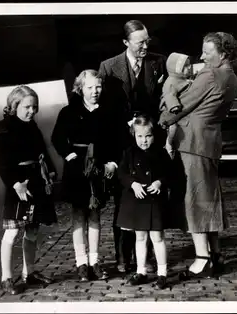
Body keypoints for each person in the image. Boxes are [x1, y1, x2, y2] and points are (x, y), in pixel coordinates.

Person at [161, 32, 237, 280]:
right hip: (210, 141)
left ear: (223, 54)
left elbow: (183, 104)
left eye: (207, 52)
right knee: (209, 197)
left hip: (192, 141)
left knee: (194, 200)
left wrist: (159, 122)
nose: (203, 56)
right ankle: (215, 253)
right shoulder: (232, 77)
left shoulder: (209, 74)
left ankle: (201, 258)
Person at [98, 19, 167, 274]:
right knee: (124, 200)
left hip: (149, 142)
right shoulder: (109, 67)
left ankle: (146, 258)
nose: (145, 46)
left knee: (149, 197)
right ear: (126, 42)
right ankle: (122, 257)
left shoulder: (158, 63)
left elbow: (164, 99)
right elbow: (103, 110)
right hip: (122, 144)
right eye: (140, 42)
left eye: (147, 40)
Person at [51, 69, 121, 282]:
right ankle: (81, 262)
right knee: (79, 215)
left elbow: (116, 141)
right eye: (90, 87)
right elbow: (58, 138)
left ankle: (94, 261)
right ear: (80, 89)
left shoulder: (108, 112)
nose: (95, 91)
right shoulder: (68, 111)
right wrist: (69, 154)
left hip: (99, 167)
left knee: (95, 214)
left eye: (98, 87)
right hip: (76, 169)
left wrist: (112, 162)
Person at [0, 85, 58, 295]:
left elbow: (42, 152)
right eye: (27, 107)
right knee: (12, 232)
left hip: (36, 183)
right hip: (18, 186)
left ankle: (29, 273)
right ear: (14, 106)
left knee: (32, 230)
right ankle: (6, 278)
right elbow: (0, 162)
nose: (32, 111)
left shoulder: (33, 127)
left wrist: (51, 172)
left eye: (35, 107)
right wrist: (15, 183)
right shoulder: (5, 129)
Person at [116, 114, 172, 289]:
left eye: (148, 136)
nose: (144, 140)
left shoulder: (160, 153)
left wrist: (159, 181)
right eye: (139, 136)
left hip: (154, 201)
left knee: (157, 237)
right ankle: (141, 271)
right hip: (138, 201)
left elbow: (170, 172)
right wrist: (132, 184)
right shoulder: (129, 153)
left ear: (154, 135)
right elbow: (122, 174)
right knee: (139, 237)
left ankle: (162, 273)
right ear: (134, 135)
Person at [158, 52, 194, 158]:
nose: (189, 68)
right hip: (170, 112)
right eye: (185, 66)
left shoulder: (182, 79)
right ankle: (169, 143)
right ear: (177, 68)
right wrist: (174, 106)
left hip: (181, 111)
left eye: (188, 65)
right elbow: (169, 94)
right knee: (173, 127)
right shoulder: (171, 82)